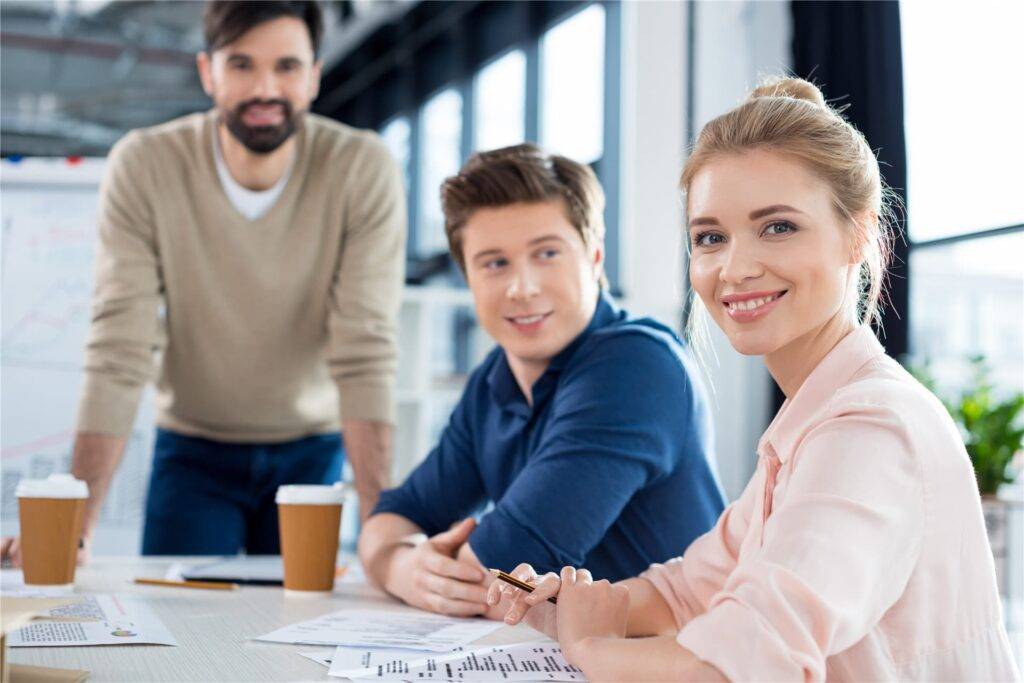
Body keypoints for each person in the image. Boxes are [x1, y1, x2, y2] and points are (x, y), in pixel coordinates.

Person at [491, 78, 1019, 681]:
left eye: (778, 227)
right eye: (710, 238)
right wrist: (576, 607)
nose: (735, 268)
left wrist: (590, 649)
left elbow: (747, 662)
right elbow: (689, 593)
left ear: (860, 236)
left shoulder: (871, 429)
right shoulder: (811, 421)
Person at [1, 0, 405, 563]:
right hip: (193, 452)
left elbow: (366, 348)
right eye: (242, 65)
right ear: (207, 72)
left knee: (299, 632)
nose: (265, 87)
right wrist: (77, 524)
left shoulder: (362, 167)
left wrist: (381, 529)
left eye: (287, 66)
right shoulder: (144, 165)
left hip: (311, 455)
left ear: (314, 76)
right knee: (179, 630)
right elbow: (120, 346)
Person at [358, 144, 725, 618]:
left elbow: (500, 570)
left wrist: (428, 565)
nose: (522, 287)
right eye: (494, 263)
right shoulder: (494, 379)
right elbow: (392, 516)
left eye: (547, 253)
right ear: (468, 279)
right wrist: (402, 569)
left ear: (594, 258)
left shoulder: (637, 368)